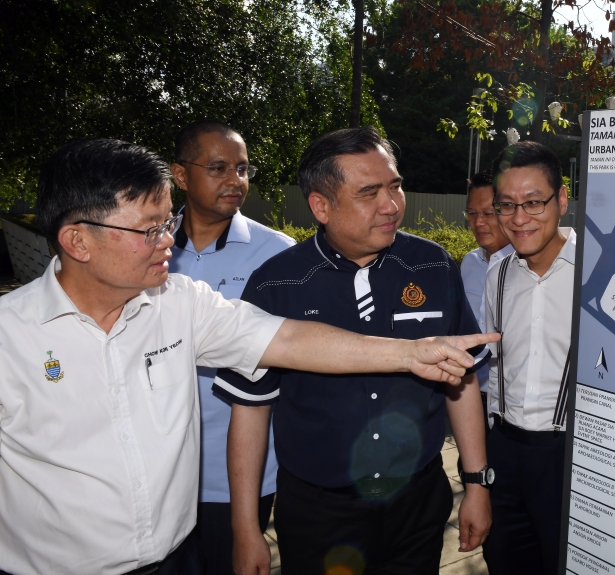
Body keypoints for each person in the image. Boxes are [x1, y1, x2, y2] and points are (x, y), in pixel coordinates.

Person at [0, 138, 496, 575]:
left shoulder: (181, 304)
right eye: (148, 230)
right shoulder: (9, 337)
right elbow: (254, 405)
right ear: (78, 240)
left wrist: (412, 353)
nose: (167, 240)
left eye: (165, 222)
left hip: (180, 559)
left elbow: (294, 340)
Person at [218, 127, 494, 575]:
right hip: (319, 515)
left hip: (418, 507)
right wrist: (246, 528)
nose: (391, 205)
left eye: (395, 186)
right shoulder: (276, 285)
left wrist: (477, 484)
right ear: (321, 206)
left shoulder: (433, 266)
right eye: (369, 193)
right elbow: (250, 412)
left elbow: (460, 383)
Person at [168, 120, 295, 575]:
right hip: (159, 473)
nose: (234, 181)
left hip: (238, 478)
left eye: (242, 169)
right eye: (218, 167)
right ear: (180, 175)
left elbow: (298, 351)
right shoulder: (146, 249)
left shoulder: (278, 255)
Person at [481, 141, 574, 575]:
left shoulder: (597, 269)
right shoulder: (496, 272)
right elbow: (496, 364)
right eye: (506, 205)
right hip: (504, 450)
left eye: (534, 203)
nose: (519, 219)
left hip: (568, 455)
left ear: (562, 199)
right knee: (504, 560)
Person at [460, 170, 514, 418]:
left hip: (511, 403)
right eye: (472, 213)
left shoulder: (526, 265)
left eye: (488, 213)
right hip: (469, 394)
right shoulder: (469, 263)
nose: (478, 222)